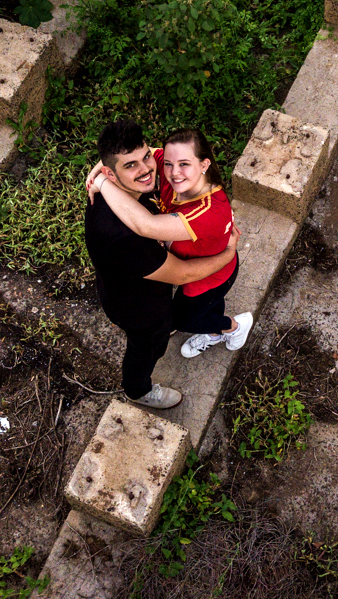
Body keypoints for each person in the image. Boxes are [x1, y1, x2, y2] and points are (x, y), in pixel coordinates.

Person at [84, 120, 239, 410]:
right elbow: (183, 272)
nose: (145, 169)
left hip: (141, 284)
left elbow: (152, 156)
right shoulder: (125, 236)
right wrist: (228, 255)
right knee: (147, 348)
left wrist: (101, 177)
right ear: (111, 173)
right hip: (139, 307)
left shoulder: (126, 188)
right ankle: (137, 389)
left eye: (144, 158)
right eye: (130, 166)